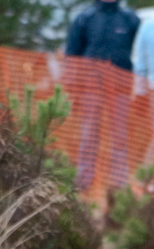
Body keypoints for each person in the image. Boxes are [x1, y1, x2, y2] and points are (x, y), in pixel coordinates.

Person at [65, 0, 140, 188]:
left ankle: (119, 185)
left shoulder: (130, 20)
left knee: (120, 136)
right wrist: (73, 87)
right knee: (89, 133)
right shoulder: (84, 19)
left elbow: (138, 55)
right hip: (91, 89)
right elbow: (72, 56)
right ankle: (83, 181)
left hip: (121, 90)